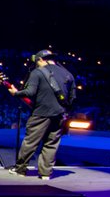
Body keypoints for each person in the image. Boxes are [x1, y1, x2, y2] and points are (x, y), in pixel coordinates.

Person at [8, 49, 75, 179]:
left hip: (41, 113)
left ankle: (20, 169)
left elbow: (30, 92)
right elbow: (72, 98)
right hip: (60, 114)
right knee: (51, 143)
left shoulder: (37, 72)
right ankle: (45, 173)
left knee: (31, 141)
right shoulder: (68, 74)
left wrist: (15, 93)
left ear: (40, 60)